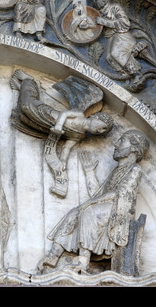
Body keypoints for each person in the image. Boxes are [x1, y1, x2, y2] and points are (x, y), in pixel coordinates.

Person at [38, 129, 150, 274]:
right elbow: (98, 194)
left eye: (122, 140)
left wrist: (90, 204)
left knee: (88, 212)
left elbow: (120, 193)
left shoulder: (135, 169)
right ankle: (53, 256)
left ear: (134, 149)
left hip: (118, 211)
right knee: (74, 212)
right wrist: (90, 173)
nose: (116, 144)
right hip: (107, 207)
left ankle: (83, 261)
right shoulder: (115, 171)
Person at [10, 69, 114, 178]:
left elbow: (67, 147)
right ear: (95, 117)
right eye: (102, 127)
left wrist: (63, 161)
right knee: (27, 106)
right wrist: (59, 125)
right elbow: (65, 114)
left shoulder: (80, 135)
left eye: (103, 131)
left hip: (46, 126)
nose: (100, 131)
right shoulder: (80, 115)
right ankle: (29, 81)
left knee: (24, 119)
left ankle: (21, 88)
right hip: (48, 115)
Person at [91, 0, 146, 87]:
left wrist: (104, 22)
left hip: (122, 36)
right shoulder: (97, 14)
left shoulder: (115, 8)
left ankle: (137, 74)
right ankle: (126, 75)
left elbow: (124, 23)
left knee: (116, 53)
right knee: (109, 57)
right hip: (111, 38)